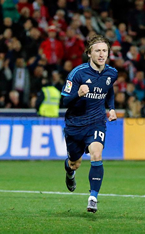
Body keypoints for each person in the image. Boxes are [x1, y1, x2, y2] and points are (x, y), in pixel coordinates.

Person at [61, 34, 118, 213]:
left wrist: (111, 108)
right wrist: (78, 94)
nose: (102, 54)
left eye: (105, 51)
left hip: (96, 122)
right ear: (89, 53)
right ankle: (70, 172)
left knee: (96, 154)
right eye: (97, 51)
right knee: (74, 162)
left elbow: (109, 91)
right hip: (75, 125)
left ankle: (93, 197)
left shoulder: (112, 73)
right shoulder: (77, 73)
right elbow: (64, 102)